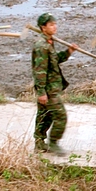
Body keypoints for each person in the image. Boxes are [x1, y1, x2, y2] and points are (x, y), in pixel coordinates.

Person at [30, 13, 74, 154]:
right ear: (43, 28)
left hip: (52, 87)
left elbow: (54, 61)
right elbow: (40, 71)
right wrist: (41, 92)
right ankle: (53, 142)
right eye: (51, 25)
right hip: (48, 89)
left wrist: (68, 52)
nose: (55, 27)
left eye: (55, 24)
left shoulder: (49, 42)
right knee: (61, 116)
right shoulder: (41, 46)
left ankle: (39, 143)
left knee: (45, 115)